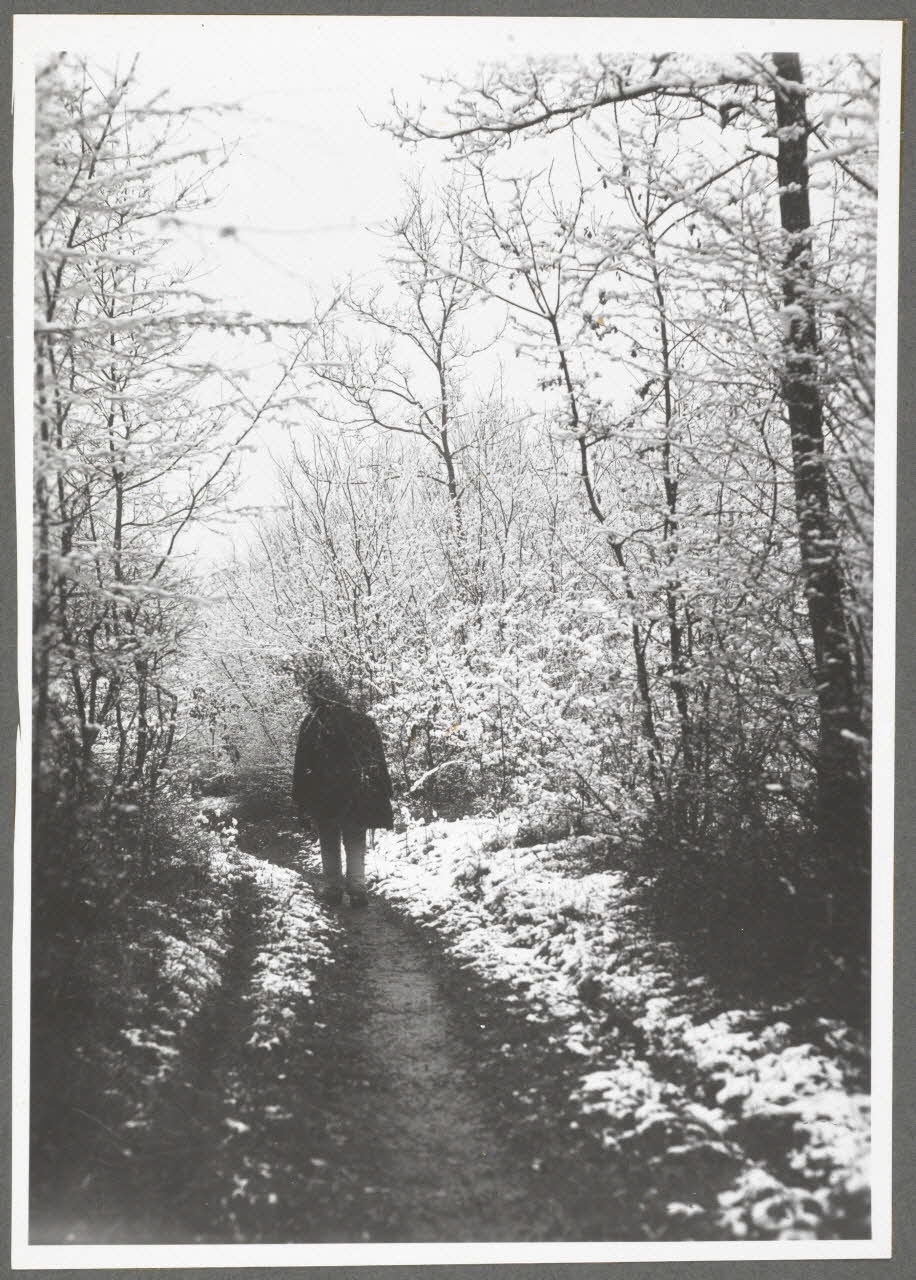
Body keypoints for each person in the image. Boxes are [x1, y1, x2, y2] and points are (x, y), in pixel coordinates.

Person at [291, 670, 394, 907]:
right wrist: (384, 789)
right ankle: (357, 889)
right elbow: (376, 757)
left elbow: (302, 763)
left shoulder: (312, 723)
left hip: (324, 795)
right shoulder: (361, 719)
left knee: (328, 841)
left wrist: (300, 797)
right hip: (356, 793)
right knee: (355, 840)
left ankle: (333, 889)